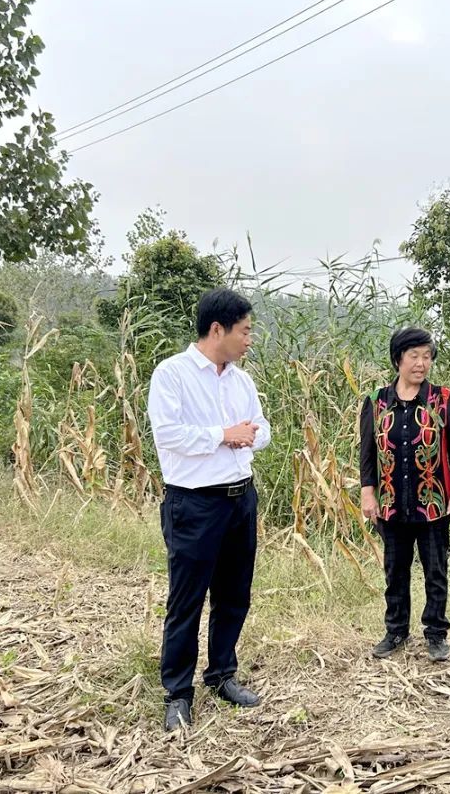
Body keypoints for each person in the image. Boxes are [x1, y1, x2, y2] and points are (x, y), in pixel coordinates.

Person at [147, 288, 271, 732]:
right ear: (217, 329)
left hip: (241, 498)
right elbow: (169, 435)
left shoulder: (241, 380)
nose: (249, 340)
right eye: (245, 331)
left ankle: (221, 674)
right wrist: (224, 434)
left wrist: (246, 435)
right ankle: (178, 693)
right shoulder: (173, 375)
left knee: (235, 594)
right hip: (195, 503)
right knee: (187, 599)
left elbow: (263, 430)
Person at [360, 327, 450, 662]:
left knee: (436, 571)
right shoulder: (377, 402)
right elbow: (367, 452)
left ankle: (436, 634)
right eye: (413, 356)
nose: (421, 364)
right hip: (391, 503)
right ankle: (395, 632)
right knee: (395, 571)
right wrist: (368, 494)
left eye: (427, 356)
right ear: (398, 360)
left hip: (433, 502)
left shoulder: (444, 399)